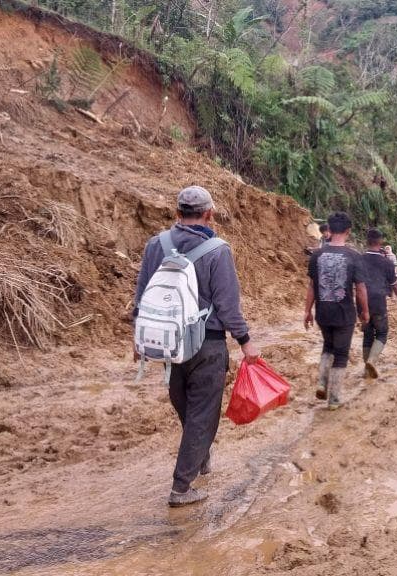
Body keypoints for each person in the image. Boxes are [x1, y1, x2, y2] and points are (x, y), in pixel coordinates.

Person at [134, 185, 260, 508]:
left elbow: (142, 298)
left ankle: (200, 455)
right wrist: (245, 341)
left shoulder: (155, 246)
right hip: (209, 345)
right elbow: (228, 306)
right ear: (209, 215)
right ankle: (181, 487)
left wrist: (137, 339)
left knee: (187, 407)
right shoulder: (218, 251)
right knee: (203, 414)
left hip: (170, 347)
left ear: (177, 214)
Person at [305, 212, 369, 409]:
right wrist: (364, 311)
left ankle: (322, 382)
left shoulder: (316, 255)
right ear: (348, 231)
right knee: (341, 354)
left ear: (329, 230)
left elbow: (312, 286)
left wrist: (307, 311)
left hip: (323, 311)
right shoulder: (353, 257)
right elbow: (360, 289)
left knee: (327, 346)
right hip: (344, 313)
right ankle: (333, 399)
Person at [359, 229, 397, 379]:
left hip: (362, 302)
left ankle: (367, 372)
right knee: (382, 333)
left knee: (367, 335)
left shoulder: (359, 259)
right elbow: (394, 285)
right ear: (380, 243)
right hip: (379, 302)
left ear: (367, 241)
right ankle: (372, 361)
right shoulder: (387, 262)